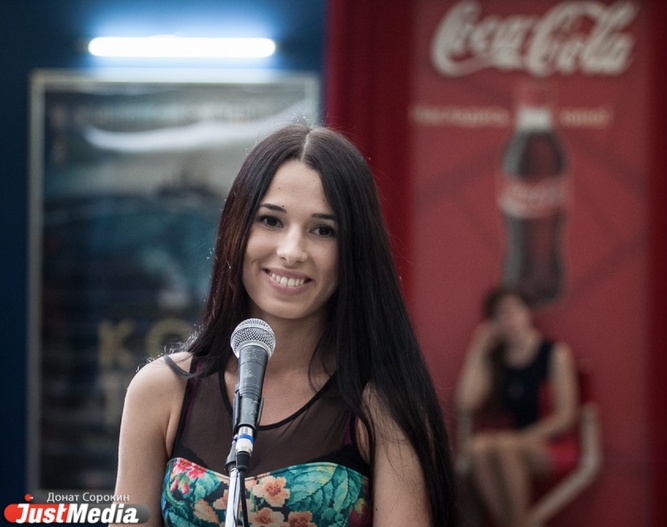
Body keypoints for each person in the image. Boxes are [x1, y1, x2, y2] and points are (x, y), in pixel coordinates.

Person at [113, 124, 458, 527]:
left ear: (354, 250)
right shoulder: (160, 392)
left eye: (323, 230)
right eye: (271, 221)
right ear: (236, 228)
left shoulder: (382, 408)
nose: (292, 251)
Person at [455, 285, 579, 527]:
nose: (508, 320)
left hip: (548, 441)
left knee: (504, 446)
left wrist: (522, 438)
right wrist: (477, 349)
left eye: (512, 311)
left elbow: (566, 416)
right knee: (478, 448)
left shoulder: (554, 353)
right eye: (499, 316)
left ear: (527, 311)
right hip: (508, 441)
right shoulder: (497, 359)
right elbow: (465, 402)